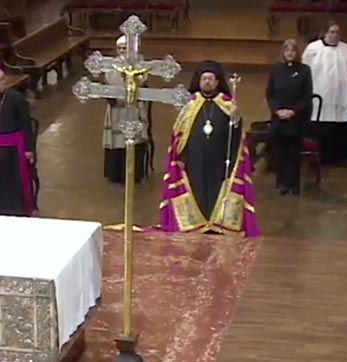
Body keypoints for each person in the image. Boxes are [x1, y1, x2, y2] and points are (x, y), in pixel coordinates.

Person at [158, 60, 259, 236]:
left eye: (210, 79)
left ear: (217, 82)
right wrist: (181, 157)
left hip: (219, 159)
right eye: (204, 78)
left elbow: (236, 136)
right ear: (199, 81)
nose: (207, 82)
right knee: (196, 190)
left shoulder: (227, 104)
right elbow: (179, 135)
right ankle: (197, 223)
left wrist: (236, 121)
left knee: (216, 190)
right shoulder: (190, 105)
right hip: (194, 160)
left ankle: (216, 223)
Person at [302, 21, 347, 166]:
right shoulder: (313, 49)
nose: (335, 35)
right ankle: (320, 156)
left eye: (337, 32)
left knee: (341, 127)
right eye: (332, 32)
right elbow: (304, 68)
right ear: (325, 33)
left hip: (342, 96)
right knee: (322, 126)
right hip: (321, 95)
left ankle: (341, 158)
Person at [0, 66, 36, 216]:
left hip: (14, 147)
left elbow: (26, 123)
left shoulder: (16, 98)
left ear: (4, 81)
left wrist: (28, 149)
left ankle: (15, 209)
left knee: (14, 181)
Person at [267, 39, 313, 195]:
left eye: (292, 51)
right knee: (279, 152)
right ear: (283, 53)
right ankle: (281, 183)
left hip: (296, 119)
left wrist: (293, 111)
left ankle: (294, 185)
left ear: (297, 53)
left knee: (293, 153)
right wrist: (277, 110)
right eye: (287, 51)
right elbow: (270, 94)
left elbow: (307, 96)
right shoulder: (276, 70)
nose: (290, 53)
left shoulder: (305, 70)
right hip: (278, 118)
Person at [102, 35, 149, 183]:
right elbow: (105, 85)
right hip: (116, 110)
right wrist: (112, 99)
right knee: (116, 141)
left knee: (134, 139)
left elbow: (143, 85)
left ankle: (134, 173)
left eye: (125, 48)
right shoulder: (111, 66)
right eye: (120, 49)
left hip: (133, 109)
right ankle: (114, 173)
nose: (122, 51)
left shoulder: (139, 66)